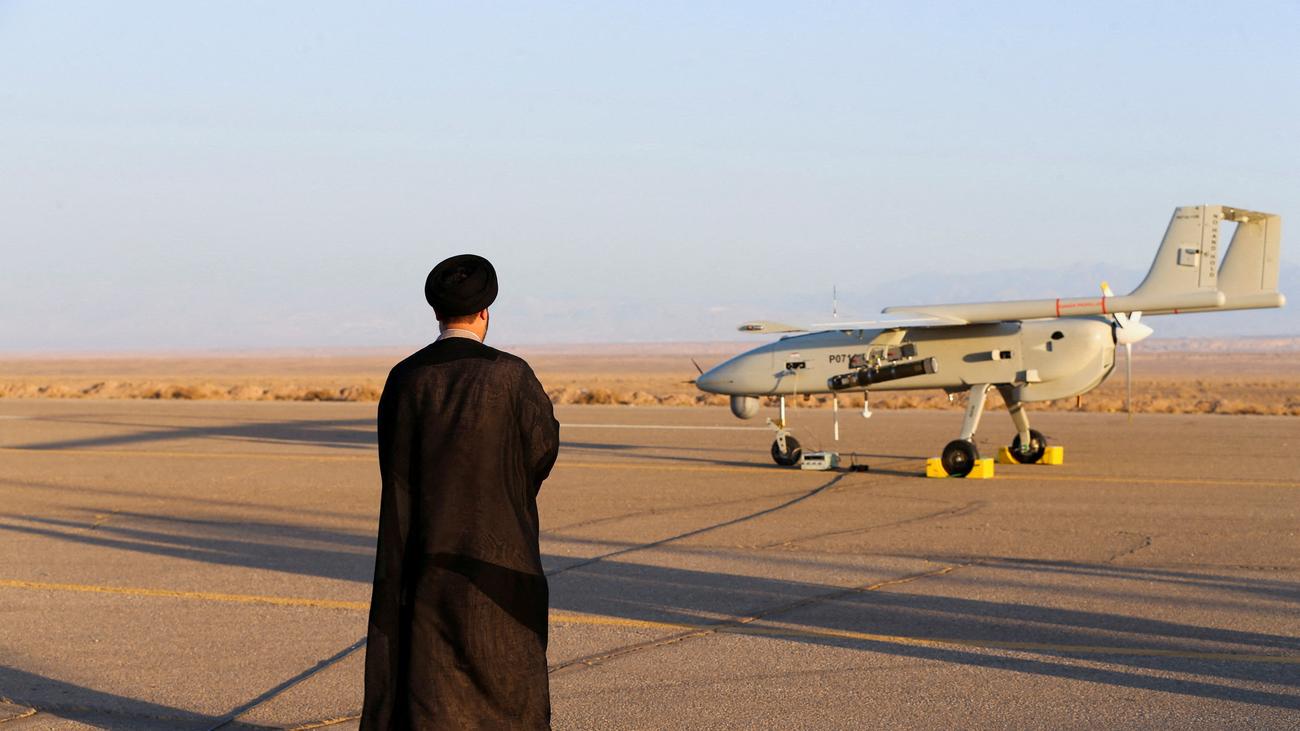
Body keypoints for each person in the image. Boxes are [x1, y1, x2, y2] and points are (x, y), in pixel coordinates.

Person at [361, 254, 560, 730]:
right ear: (485, 312)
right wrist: (506, 490)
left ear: (436, 312)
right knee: (505, 660)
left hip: (422, 546)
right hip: (500, 547)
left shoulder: (406, 377)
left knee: (429, 668)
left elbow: (395, 461)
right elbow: (542, 448)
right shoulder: (510, 375)